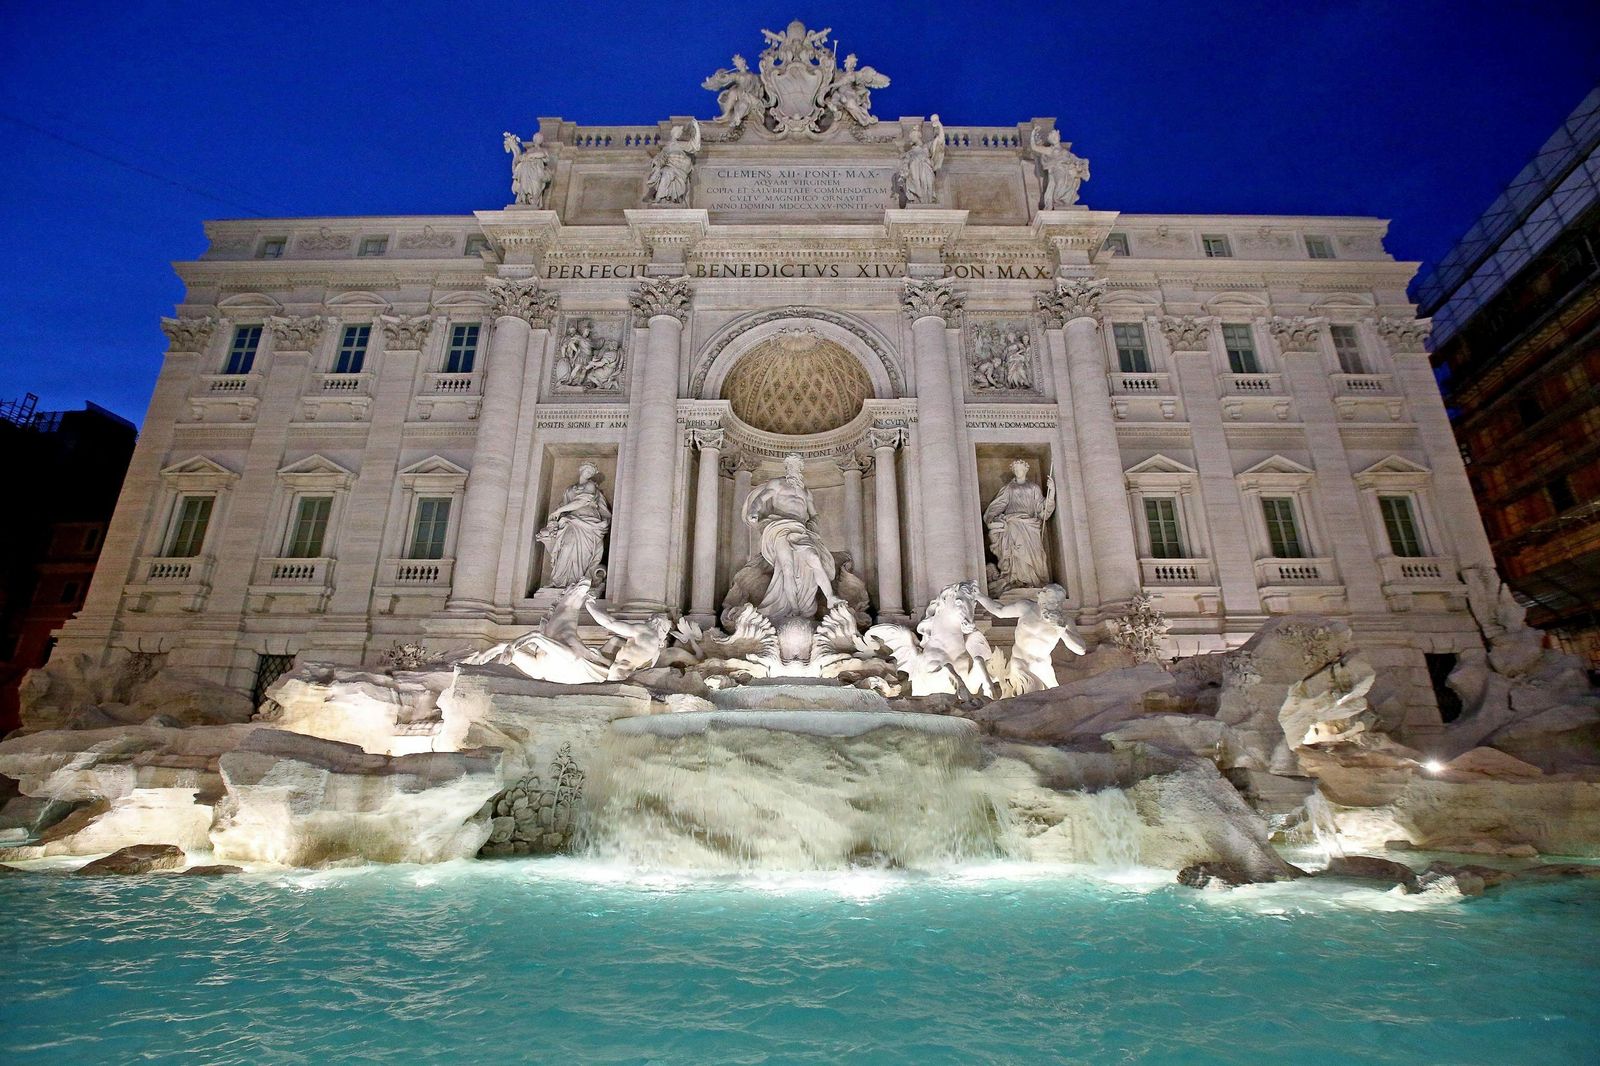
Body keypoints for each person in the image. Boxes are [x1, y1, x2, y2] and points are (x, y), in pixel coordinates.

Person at [744, 454, 842, 622]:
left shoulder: (806, 491)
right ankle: (795, 610)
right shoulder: (777, 484)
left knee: (814, 558)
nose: (793, 469)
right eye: (790, 466)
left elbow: (814, 514)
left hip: (800, 530)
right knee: (787, 569)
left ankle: (830, 597)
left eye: (796, 466)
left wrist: (814, 524)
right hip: (780, 527)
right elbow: (760, 499)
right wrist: (753, 511)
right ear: (786, 468)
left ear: (800, 469)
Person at [977, 584, 1084, 693]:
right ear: (1042, 598)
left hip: (1042, 666)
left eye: (1059, 602)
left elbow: (1081, 650)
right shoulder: (1026, 607)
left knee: (1058, 697)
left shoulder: (1065, 621)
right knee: (1035, 690)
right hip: (1020, 661)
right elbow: (999, 611)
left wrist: (1062, 630)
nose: (1056, 605)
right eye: (1053, 601)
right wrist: (978, 595)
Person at [984, 459, 1056, 592]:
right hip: (1014, 522)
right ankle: (1017, 580)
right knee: (1016, 552)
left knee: (1035, 553)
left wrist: (1051, 493)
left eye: (1020, 469)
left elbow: (1042, 509)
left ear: (1026, 470)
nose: (1018, 471)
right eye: (1016, 469)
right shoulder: (1009, 488)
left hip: (1031, 525)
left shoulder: (1034, 488)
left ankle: (1034, 580)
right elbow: (999, 503)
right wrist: (991, 517)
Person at [535, 463, 610, 587]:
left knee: (582, 554)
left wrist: (558, 511)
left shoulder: (590, 485)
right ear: (581, 470)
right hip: (571, 521)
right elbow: (564, 506)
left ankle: (576, 583)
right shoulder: (570, 489)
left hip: (588, 523)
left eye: (591, 472)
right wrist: (556, 517)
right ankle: (559, 582)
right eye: (587, 470)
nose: (589, 474)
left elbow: (582, 501)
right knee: (566, 547)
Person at [583, 600, 671, 681]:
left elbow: (610, 623)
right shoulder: (656, 651)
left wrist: (590, 605)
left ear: (655, 622)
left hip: (619, 671)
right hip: (622, 673)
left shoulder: (645, 631)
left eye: (650, 620)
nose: (647, 621)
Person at [1029, 127, 1090, 209]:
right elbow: (1034, 147)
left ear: (1059, 135)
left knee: (1068, 186)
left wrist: (1081, 165)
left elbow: (1077, 160)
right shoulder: (1050, 150)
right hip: (1058, 170)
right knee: (1060, 183)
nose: (1054, 138)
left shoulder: (1066, 152)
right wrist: (1033, 135)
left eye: (1055, 135)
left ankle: (1064, 203)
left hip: (1068, 172)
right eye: (1052, 137)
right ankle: (1058, 201)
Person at [643, 119, 701, 205]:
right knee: (666, 172)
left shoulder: (681, 145)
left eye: (679, 133)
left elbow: (696, 145)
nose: (679, 134)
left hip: (680, 170)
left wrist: (696, 127)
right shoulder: (667, 147)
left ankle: (663, 198)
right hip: (669, 168)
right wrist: (657, 162)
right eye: (678, 132)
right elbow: (659, 158)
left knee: (667, 173)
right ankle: (662, 198)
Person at [896, 114, 944, 205]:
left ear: (918, 136)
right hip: (915, 173)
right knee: (917, 183)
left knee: (929, 186)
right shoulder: (909, 153)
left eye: (913, 136)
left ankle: (927, 202)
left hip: (926, 169)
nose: (911, 139)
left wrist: (939, 125)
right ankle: (920, 200)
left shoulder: (927, 146)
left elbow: (940, 140)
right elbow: (905, 165)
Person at [503, 131, 553, 208]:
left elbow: (543, 155)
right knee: (524, 182)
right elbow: (521, 158)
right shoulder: (529, 150)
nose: (538, 139)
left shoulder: (543, 150)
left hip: (536, 170)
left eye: (540, 138)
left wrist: (530, 156)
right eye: (537, 138)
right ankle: (523, 199)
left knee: (535, 186)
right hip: (526, 169)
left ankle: (533, 200)